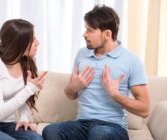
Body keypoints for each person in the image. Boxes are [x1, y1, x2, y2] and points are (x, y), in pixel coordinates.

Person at [42, 5, 150, 140]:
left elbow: (144, 109)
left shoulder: (131, 60)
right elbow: (70, 95)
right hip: (81, 124)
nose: (84, 34)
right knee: (50, 131)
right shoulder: (82, 54)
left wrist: (115, 95)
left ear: (107, 34)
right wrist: (72, 87)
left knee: (99, 134)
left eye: (90, 30)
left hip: (112, 127)